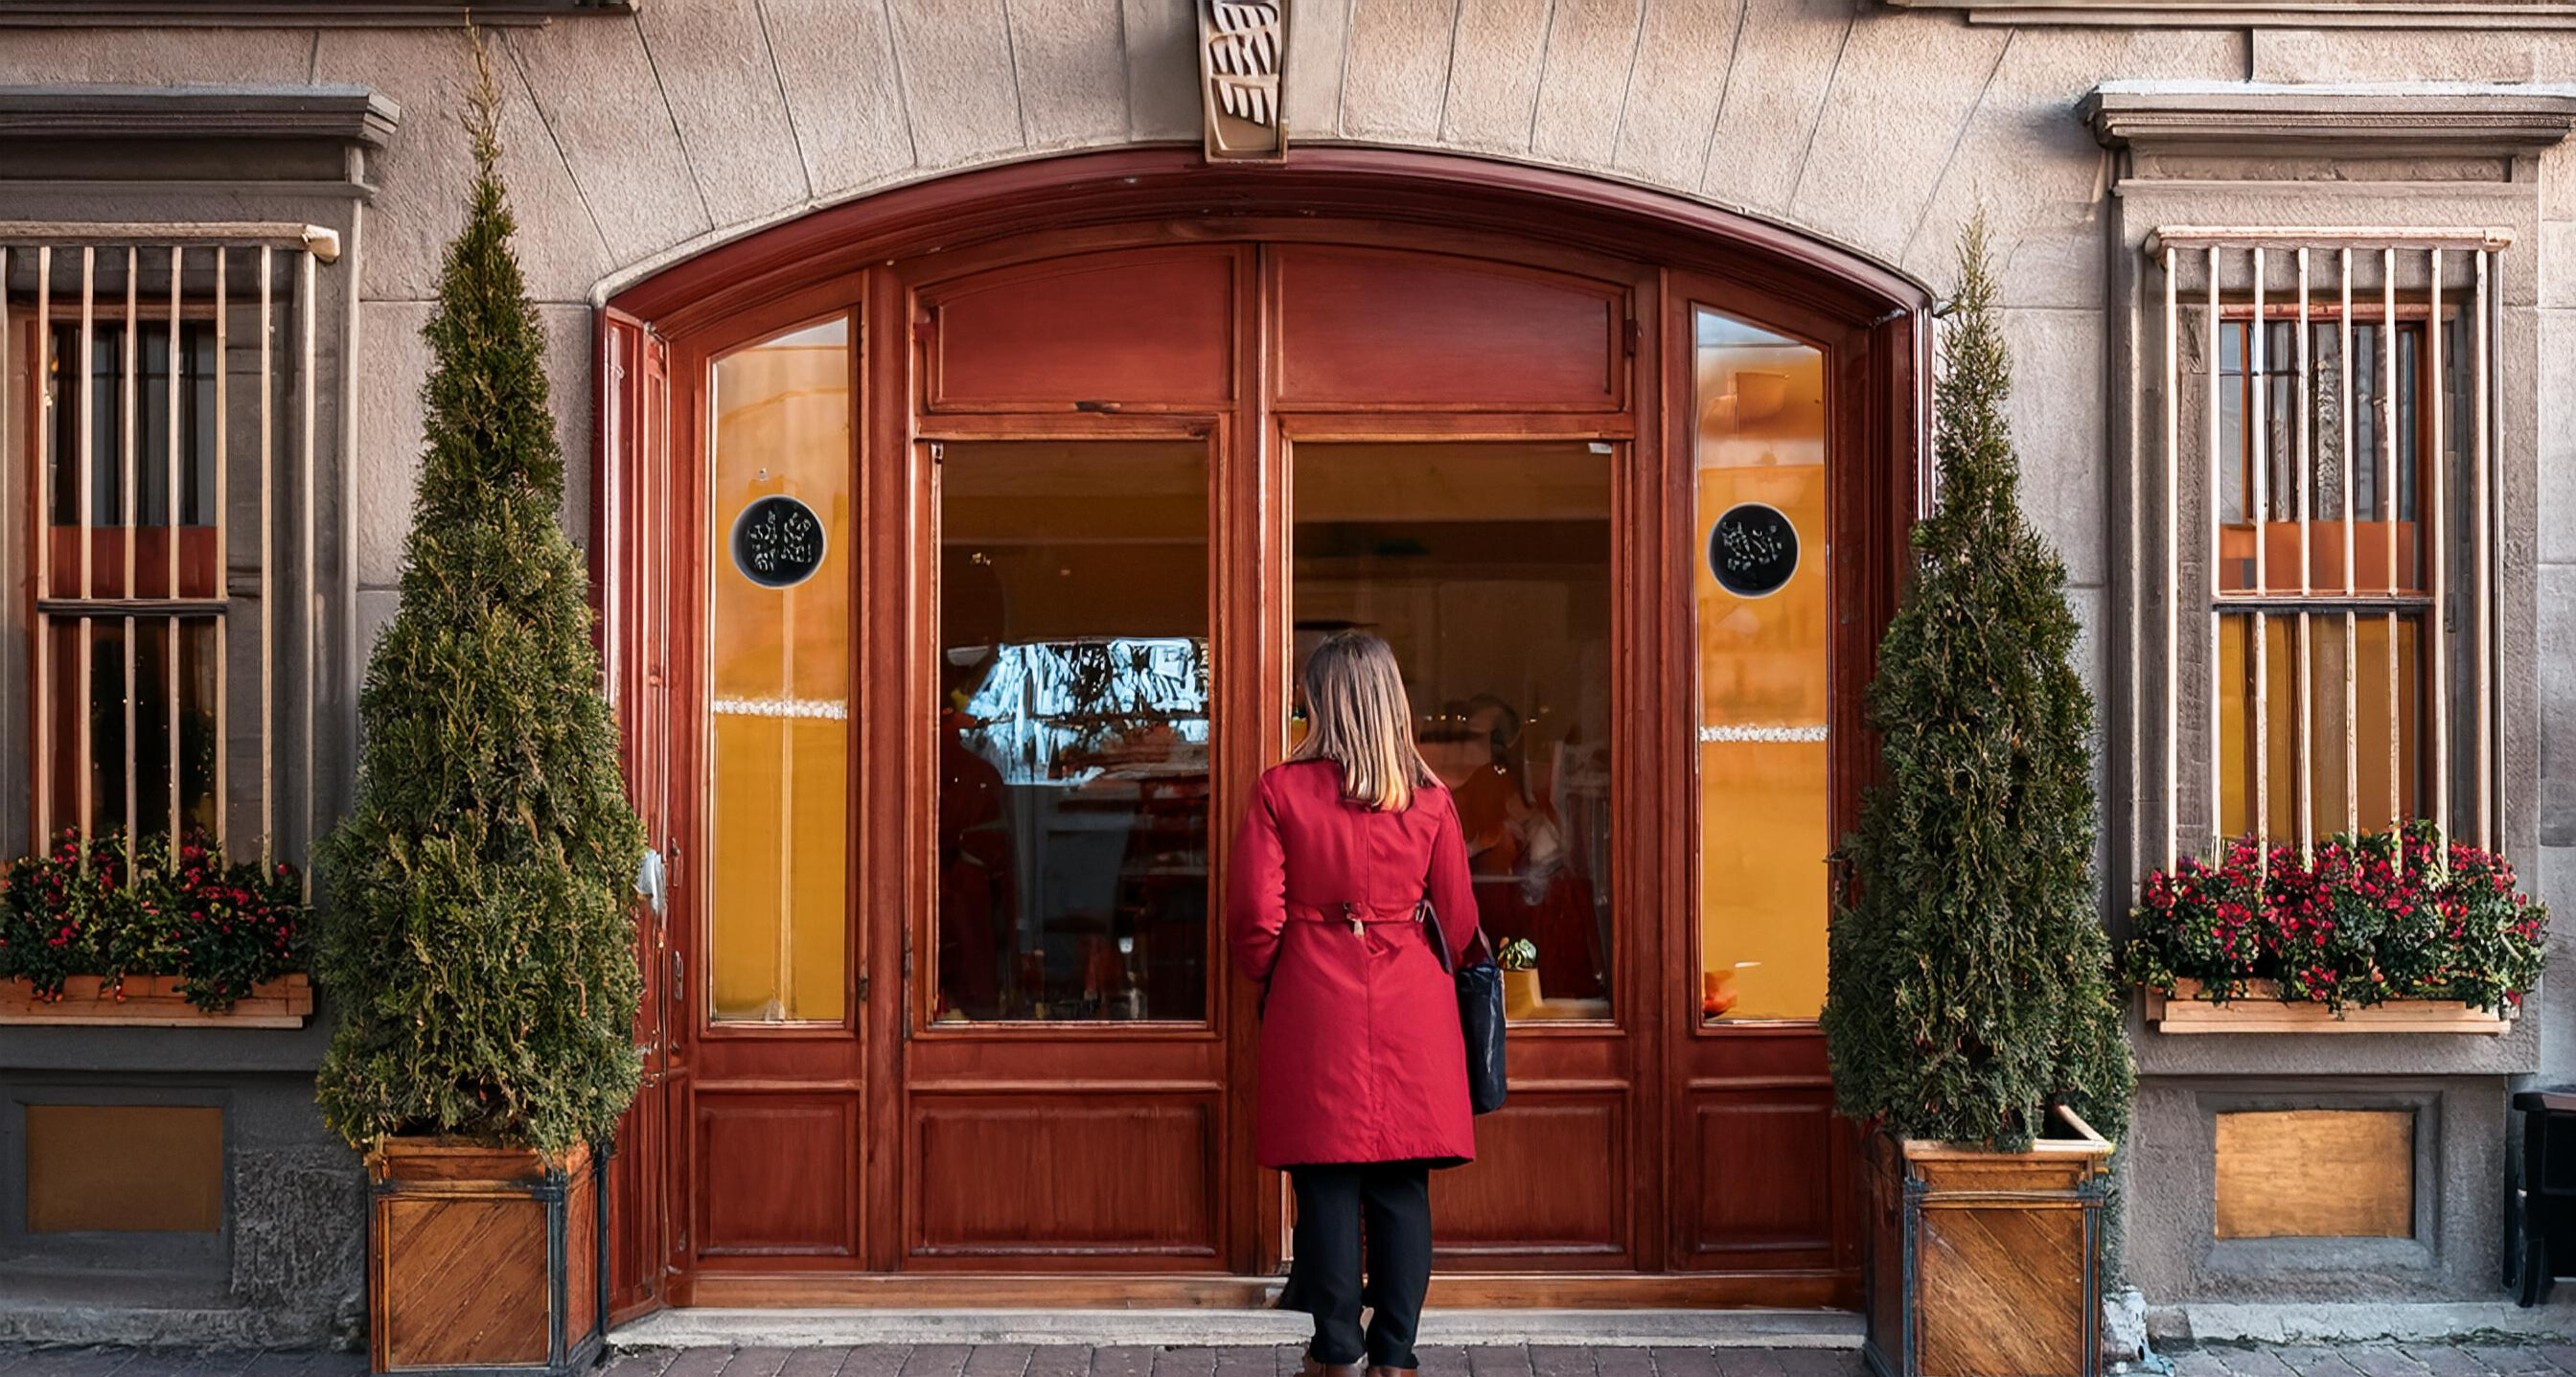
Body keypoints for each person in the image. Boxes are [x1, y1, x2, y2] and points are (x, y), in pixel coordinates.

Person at [1227, 631, 1483, 1377]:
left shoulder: (1280, 789)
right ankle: (1395, 1357)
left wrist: (1277, 970)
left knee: (1326, 1178)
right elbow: (1461, 925)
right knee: (1402, 1182)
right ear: (1390, 701)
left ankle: (1337, 1351)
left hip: (1315, 999)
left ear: (1320, 701)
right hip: (1412, 1002)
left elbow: (1253, 917)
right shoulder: (1432, 798)